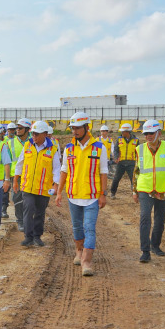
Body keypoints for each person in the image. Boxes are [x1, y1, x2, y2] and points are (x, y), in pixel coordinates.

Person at [56, 112, 108, 276]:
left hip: (92, 196)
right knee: (77, 227)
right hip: (73, 195)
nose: (75, 131)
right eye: (73, 128)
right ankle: (79, 251)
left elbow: (104, 172)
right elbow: (64, 170)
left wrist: (103, 194)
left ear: (87, 127)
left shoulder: (99, 148)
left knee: (89, 228)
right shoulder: (69, 148)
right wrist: (59, 192)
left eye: (78, 128)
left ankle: (86, 261)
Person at [133, 120, 165, 263]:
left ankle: (155, 245)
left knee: (160, 219)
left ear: (159, 133)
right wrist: (134, 191)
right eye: (146, 133)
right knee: (145, 217)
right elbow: (136, 171)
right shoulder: (139, 149)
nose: (148, 136)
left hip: (163, 189)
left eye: (151, 133)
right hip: (145, 188)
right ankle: (145, 251)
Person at [14, 121, 60, 247]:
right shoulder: (28, 146)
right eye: (33, 134)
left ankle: (37, 236)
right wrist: (15, 181)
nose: (34, 136)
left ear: (45, 134)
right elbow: (20, 164)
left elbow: (56, 169)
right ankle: (28, 237)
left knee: (40, 212)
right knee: (28, 209)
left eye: (37, 134)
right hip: (28, 186)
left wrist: (55, 186)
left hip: (44, 187)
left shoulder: (53, 149)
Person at [8, 118, 32, 231]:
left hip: (31, 175)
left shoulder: (33, 141)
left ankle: (29, 220)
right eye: (17, 128)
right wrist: (6, 178)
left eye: (20, 128)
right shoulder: (10, 142)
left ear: (27, 129)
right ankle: (20, 221)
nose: (17, 130)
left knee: (30, 199)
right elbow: (7, 161)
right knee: (17, 198)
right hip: (16, 176)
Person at [110, 123, 139, 198]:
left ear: (128, 132)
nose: (122, 133)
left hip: (131, 163)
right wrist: (116, 158)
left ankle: (134, 194)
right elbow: (115, 150)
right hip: (121, 163)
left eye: (123, 131)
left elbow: (139, 152)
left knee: (133, 180)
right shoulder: (119, 139)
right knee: (116, 179)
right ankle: (112, 193)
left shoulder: (136, 140)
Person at [0, 123, 11, 218]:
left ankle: (4, 210)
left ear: (2, 132)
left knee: (5, 192)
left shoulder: (8, 142)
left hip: (5, 171)